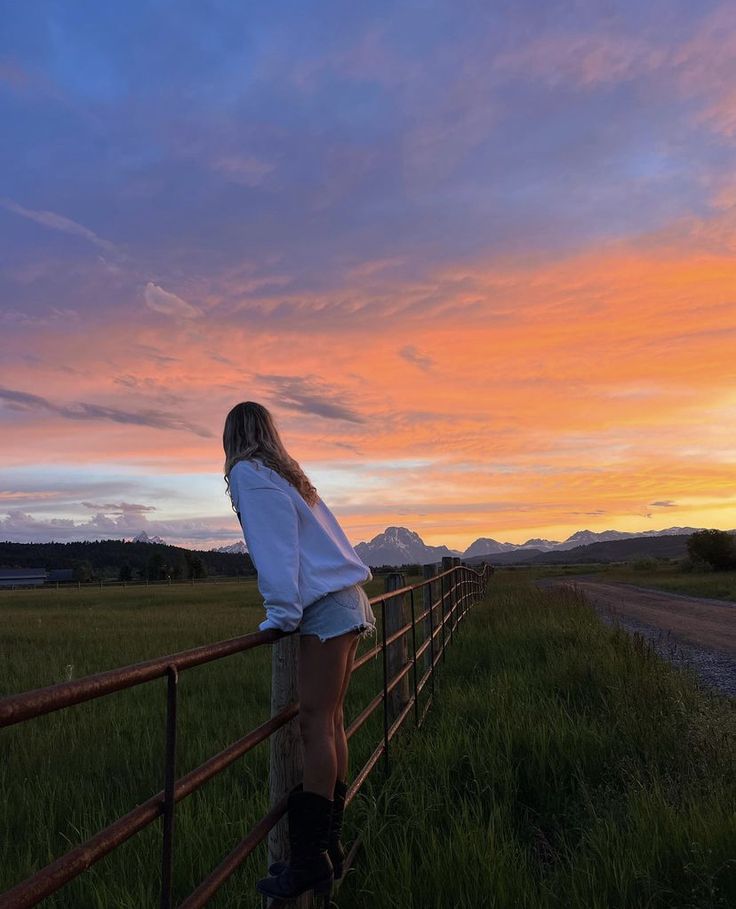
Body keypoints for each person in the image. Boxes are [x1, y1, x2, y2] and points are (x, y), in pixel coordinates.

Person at [223, 400, 376, 903]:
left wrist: (281, 615)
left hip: (325, 609)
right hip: (344, 601)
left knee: (315, 723)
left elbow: (277, 549)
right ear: (270, 432)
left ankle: (309, 859)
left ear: (232, 438)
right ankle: (325, 847)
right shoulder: (287, 474)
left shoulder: (249, 473)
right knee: (329, 722)